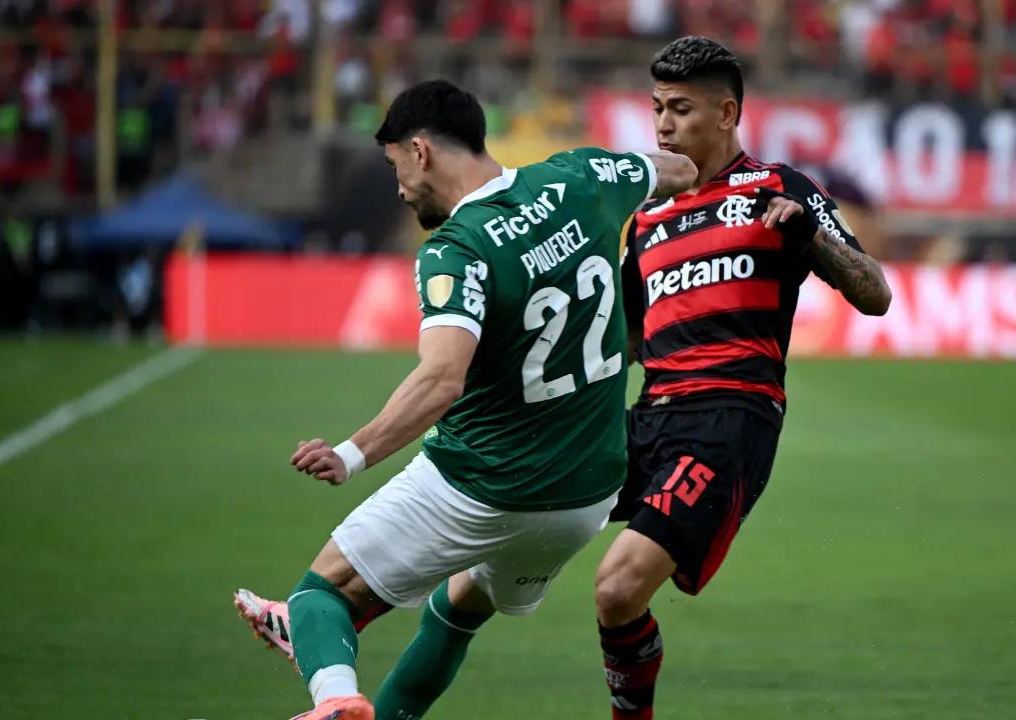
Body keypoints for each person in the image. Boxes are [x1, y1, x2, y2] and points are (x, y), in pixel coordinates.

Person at [234, 78, 696, 720]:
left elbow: (441, 379)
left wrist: (351, 453)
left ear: (420, 151)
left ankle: (335, 695)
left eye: (396, 165)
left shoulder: (458, 250)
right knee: (459, 605)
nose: (399, 188)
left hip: (485, 485)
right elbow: (678, 168)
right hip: (585, 498)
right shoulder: (583, 176)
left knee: (323, 593)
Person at [594, 36, 892, 719]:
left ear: (727, 114)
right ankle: (340, 620)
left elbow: (875, 293)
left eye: (682, 109)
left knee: (616, 590)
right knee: (495, 542)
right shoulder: (644, 217)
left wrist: (808, 241)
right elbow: (627, 343)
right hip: (646, 419)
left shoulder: (777, 189)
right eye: (657, 108)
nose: (664, 125)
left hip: (727, 419)